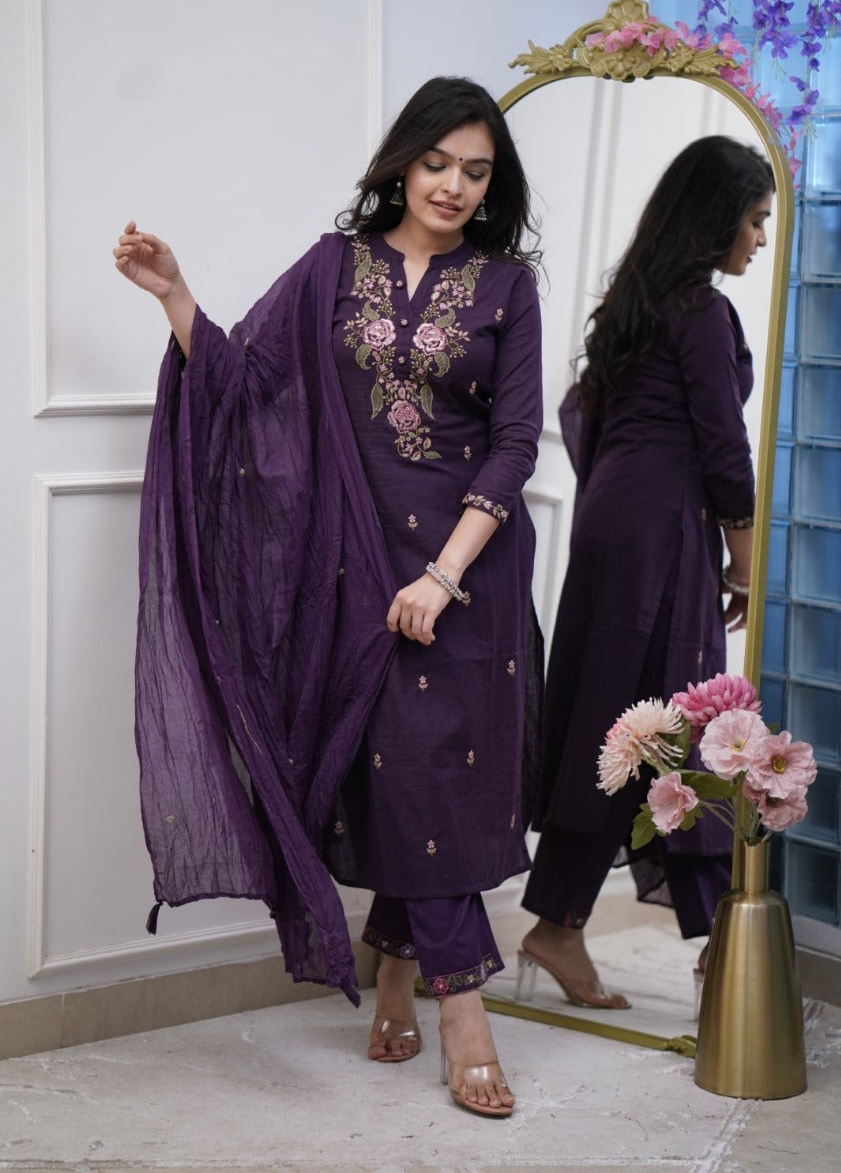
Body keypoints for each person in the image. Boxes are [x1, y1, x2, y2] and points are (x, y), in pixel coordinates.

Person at [114, 77, 543, 1118]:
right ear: (402, 162)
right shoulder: (330, 267)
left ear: (492, 185)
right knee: (398, 768)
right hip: (354, 565)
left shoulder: (505, 285)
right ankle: (446, 995)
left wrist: (445, 572)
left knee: (439, 773)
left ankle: (423, 983)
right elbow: (243, 384)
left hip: (468, 567)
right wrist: (175, 294)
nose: (451, 185)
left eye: (474, 170)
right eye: (436, 162)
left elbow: (516, 440)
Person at [516, 135, 773, 1010]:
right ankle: (716, 942)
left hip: (615, 525)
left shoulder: (633, 302)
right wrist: (742, 560)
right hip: (660, 532)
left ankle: (568, 923)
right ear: (716, 218)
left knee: (624, 722)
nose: (759, 240)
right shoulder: (699, 310)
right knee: (673, 724)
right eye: (754, 220)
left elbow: (583, 417)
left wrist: (629, 501)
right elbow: (723, 443)